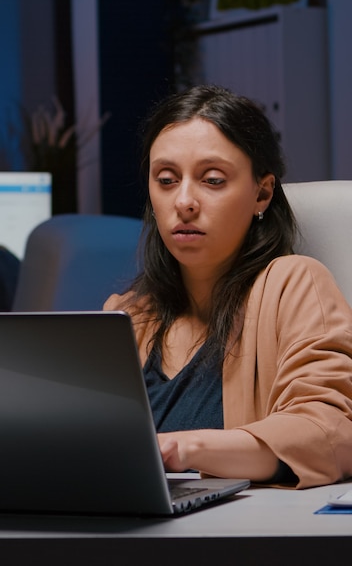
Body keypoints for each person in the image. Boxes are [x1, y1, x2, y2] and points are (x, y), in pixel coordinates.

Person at [104, 84, 352, 489]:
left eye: (213, 180)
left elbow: (331, 432)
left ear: (263, 192)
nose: (184, 201)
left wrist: (187, 449)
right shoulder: (128, 315)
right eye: (166, 180)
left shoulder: (294, 284)